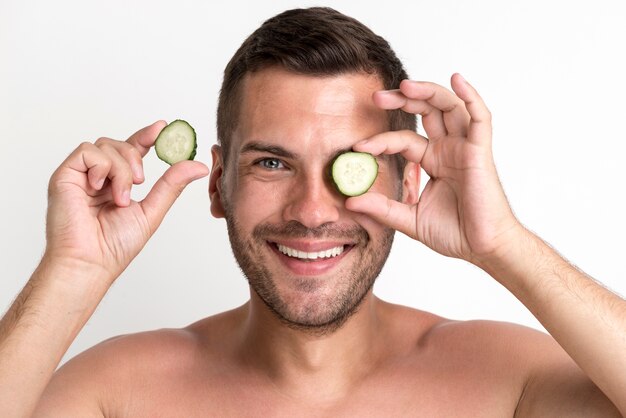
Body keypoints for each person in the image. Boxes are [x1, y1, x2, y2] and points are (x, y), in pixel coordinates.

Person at [0, 6, 624, 416]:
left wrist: (504, 244)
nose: (312, 209)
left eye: (348, 165)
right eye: (272, 163)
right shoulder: (119, 395)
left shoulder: (506, 382)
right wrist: (74, 270)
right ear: (217, 183)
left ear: (410, 185)